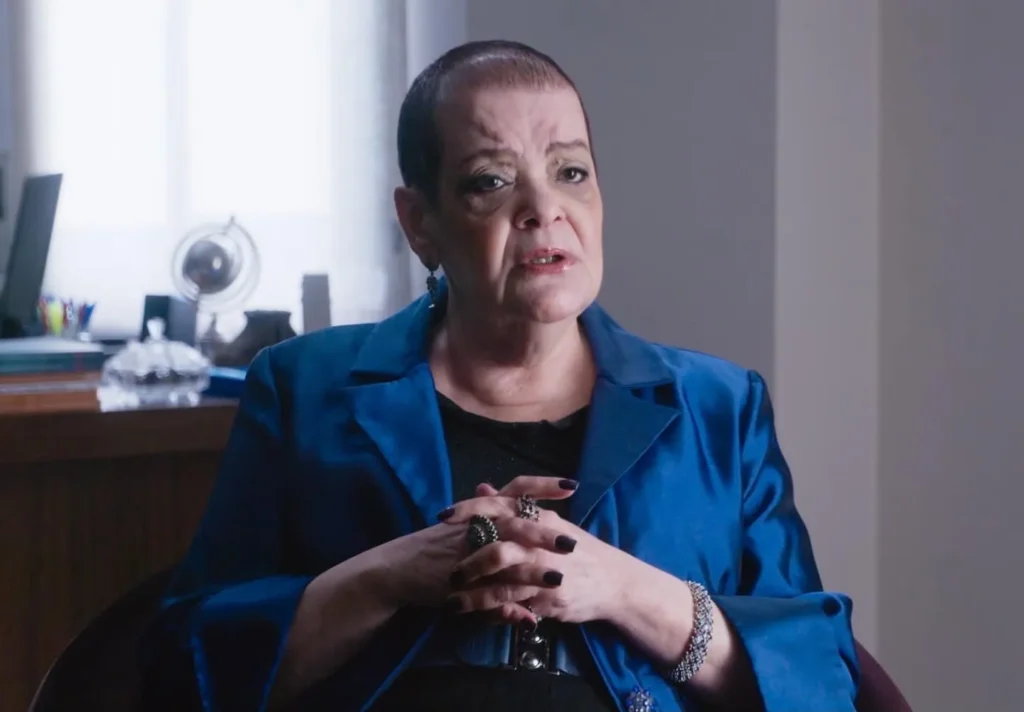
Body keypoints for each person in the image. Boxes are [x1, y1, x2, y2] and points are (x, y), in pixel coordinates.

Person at [139, 40, 860, 712]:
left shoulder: (719, 408)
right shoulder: (302, 389)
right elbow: (187, 668)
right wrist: (392, 575)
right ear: (419, 222)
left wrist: (620, 587)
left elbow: (818, 680)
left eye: (571, 172)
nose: (544, 210)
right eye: (491, 181)